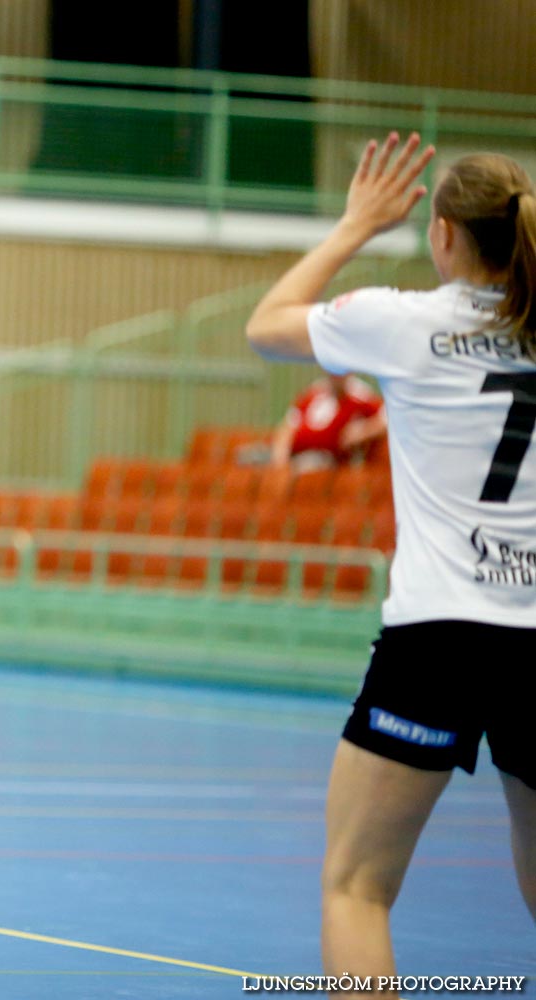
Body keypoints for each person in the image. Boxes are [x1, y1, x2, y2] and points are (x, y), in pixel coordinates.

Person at [246, 132, 536, 994]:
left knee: (356, 887)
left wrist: (355, 226)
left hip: (440, 637)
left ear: (442, 235)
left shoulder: (405, 321)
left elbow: (266, 327)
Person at [267, 369, 386, 471]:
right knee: (253, 459)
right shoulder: (315, 391)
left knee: (310, 465)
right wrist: (280, 460)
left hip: (324, 462)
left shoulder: (359, 395)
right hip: (292, 456)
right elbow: (288, 426)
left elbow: (386, 421)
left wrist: (363, 431)